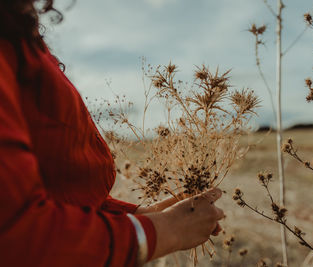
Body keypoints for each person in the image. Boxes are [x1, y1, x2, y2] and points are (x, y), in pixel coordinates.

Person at [0, 1, 225, 266]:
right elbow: (15, 233)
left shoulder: (17, 31)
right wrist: (165, 231)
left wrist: (141, 215)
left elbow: (56, 190)